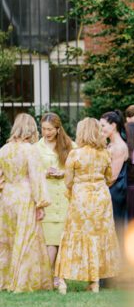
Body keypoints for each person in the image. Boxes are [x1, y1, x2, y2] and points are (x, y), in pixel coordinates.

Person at [53, 118, 120, 293]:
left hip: (81, 197)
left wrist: (73, 192)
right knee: (97, 237)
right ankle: (95, 281)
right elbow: (109, 177)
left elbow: (68, 180)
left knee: (73, 236)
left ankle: (62, 280)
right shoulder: (105, 153)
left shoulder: (75, 154)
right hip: (101, 198)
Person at [0, 113, 50, 292]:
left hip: (7, 196)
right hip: (24, 195)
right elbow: (36, 177)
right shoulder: (30, 150)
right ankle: (22, 282)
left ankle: (5, 280)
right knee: (26, 238)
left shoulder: (4, 149)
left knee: (8, 240)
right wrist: (41, 203)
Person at [36, 112, 75, 288]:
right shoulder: (36, 148)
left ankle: (59, 275)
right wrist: (45, 173)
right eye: (43, 129)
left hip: (65, 196)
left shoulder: (70, 146)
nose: (46, 132)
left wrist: (63, 173)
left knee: (62, 238)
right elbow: (32, 172)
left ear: (58, 129)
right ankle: (48, 276)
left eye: (50, 129)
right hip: (47, 197)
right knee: (50, 238)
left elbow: (77, 169)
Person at [99, 111, 129, 238]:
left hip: (115, 191)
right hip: (110, 190)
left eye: (103, 126)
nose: (101, 129)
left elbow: (112, 177)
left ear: (113, 126)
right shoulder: (110, 144)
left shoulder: (119, 147)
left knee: (115, 227)